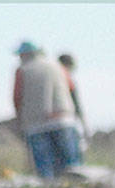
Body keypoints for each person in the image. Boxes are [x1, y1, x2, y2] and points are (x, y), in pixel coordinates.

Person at [12, 40, 82, 179]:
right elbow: (71, 89)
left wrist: (20, 122)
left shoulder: (22, 70)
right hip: (64, 120)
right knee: (73, 169)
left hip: (36, 124)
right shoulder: (57, 66)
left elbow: (17, 98)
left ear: (24, 55)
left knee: (45, 171)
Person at [57, 52, 89, 154]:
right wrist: (84, 125)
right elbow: (77, 105)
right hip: (68, 122)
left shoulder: (51, 79)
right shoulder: (66, 79)